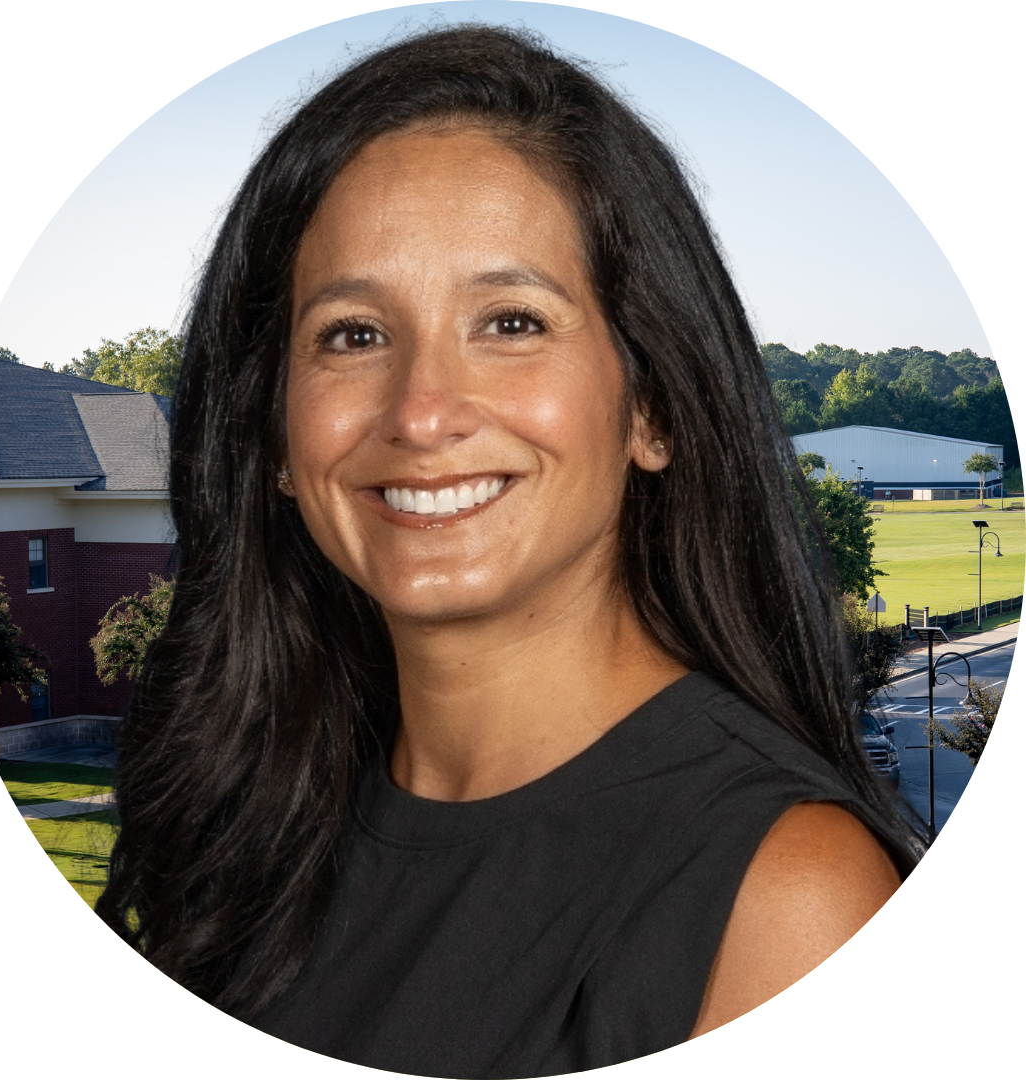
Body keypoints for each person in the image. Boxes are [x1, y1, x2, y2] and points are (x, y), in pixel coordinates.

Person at [97, 25, 925, 1074]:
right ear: (269, 436)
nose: (423, 411)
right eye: (353, 334)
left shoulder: (782, 900)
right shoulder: (247, 832)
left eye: (512, 321)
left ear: (654, 408)